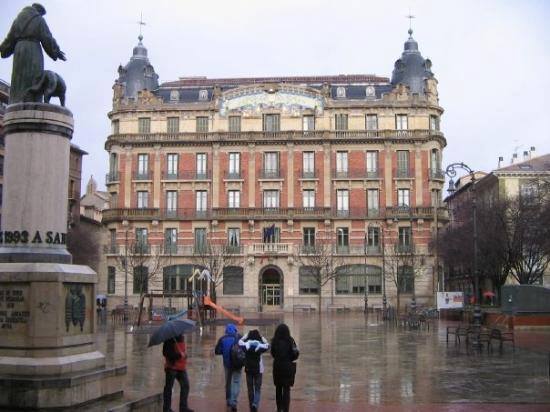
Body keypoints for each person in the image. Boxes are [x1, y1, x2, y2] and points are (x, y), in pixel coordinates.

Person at [0, 3, 66, 104]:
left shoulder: (18, 20)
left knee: (18, 78)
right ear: (39, 11)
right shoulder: (39, 19)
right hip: (33, 50)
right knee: (34, 78)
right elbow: (47, 37)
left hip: (19, 50)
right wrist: (56, 51)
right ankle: (31, 101)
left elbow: (10, 38)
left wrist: (2, 48)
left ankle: (16, 101)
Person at [239, 329, 269, 412]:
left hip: (248, 369)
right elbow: (267, 345)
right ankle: (255, 404)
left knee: (250, 388)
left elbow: (240, 342)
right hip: (258, 369)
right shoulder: (260, 345)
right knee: (258, 388)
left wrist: (245, 337)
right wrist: (261, 337)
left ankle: (251, 404)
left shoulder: (246, 345)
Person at [271, 323, 299, 412]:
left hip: (277, 367)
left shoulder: (274, 341)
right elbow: (296, 354)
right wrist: (290, 358)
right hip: (288, 367)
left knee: (278, 389)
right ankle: (286, 409)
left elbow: (272, 353)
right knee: (287, 389)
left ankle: (279, 409)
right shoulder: (291, 340)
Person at [162, 334, 193, 412]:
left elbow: (181, 350)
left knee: (185, 386)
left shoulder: (181, 337)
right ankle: (167, 409)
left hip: (181, 367)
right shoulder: (169, 339)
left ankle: (183, 407)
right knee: (169, 388)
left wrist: (185, 355)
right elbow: (166, 353)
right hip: (171, 367)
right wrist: (179, 355)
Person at [215, 323, 242, 412]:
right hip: (238, 364)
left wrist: (224, 351)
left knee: (228, 382)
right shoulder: (239, 337)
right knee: (236, 381)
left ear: (226, 330)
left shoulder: (222, 339)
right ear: (235, 330)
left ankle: (228, 400)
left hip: (227, 364)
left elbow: (217, 351)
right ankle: (234, 401)